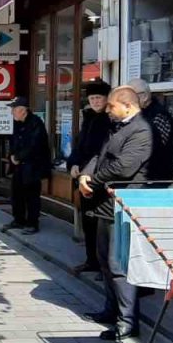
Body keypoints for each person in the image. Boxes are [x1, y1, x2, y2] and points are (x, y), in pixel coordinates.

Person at [78, 86, 154, 341]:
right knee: (104, 260)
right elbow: (100, 155)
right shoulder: (116, 126)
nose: (107, 110)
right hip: (105, 204)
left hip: (124, 202)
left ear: (128, 106)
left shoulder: (141, 130)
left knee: (119, 264)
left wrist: (94, 180)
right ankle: (111, 310)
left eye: (112, 105)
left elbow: (124, 166)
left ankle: (128, 321)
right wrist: (86, 176)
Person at [67, 80, 112, 275]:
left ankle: (105, 268)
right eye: (92, 98)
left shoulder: (110, 120)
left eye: (98, 98)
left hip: (99, 178)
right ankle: (91, 260)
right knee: (88, 221)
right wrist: (74, 163)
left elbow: (103, 151)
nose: (94, 101)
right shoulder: (89, 117)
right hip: (83, 175)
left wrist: (89, 172)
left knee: (101, 225)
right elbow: (79, 146)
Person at [7, 97, 50, 234]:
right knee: (17, 193)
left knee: (32, 195)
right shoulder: (17, 123)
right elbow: (12, 141)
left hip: (33, 165)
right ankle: (18, 220)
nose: (12, 112)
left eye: (14, 109)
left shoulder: (35, 123)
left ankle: (32, 223)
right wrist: (13, 155)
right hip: (19, 166)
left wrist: (19, 157)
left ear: (22, 110)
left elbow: (35, 144)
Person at [127, 78, 173, 183]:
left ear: (144, 96)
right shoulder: (137, 114)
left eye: (131, 96)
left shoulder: (159, 115)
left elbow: (153, 146)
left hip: (155, 178)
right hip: (137, 177)